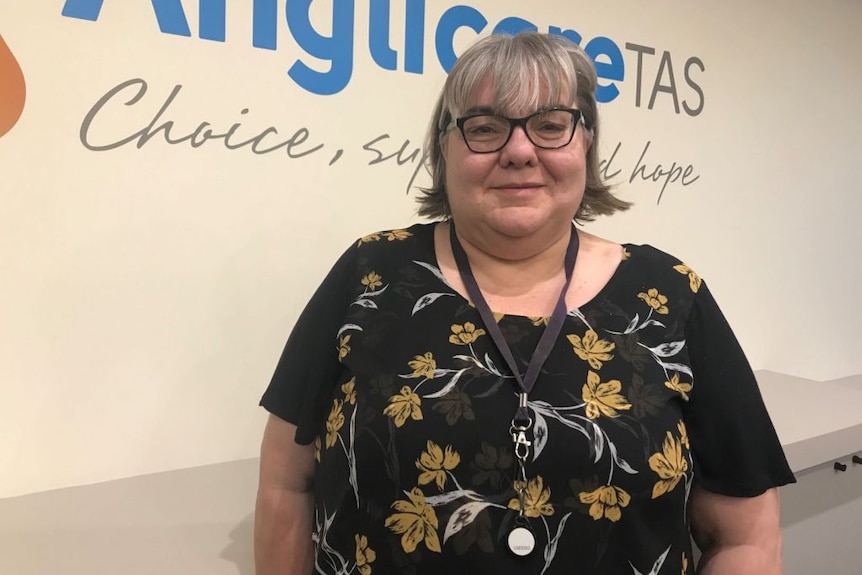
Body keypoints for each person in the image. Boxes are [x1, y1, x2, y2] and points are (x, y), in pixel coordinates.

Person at [254, 31, 794, 575]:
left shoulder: (672, 296)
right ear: (445, 148)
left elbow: (745, 537)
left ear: (585, 142)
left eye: (550, 125)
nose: (518, 151)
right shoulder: (368, 277)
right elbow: (285, 484)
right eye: (485, 128)